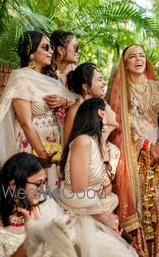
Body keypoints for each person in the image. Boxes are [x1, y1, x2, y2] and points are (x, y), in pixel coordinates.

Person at [109, 44, 159, 256]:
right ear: (125, 64)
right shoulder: (121, 92)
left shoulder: (158, 87)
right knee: (142, 198)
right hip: (135, 155)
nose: (138, 59)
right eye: (132, 56)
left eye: (142, 55)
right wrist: (148, 147)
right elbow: (121, 128)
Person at [0, 31, 75, 190]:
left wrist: (62, 101)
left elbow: (73, 100)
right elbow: (25, 122)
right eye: (45, 47)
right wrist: (42, 154)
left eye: (51, 47)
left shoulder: (51, 79)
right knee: (32, 192)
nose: (51, 51)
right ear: (30, 53)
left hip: (53, 141)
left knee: (51, 192)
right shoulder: (21, 78)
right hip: (32, 143)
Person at [57, 98, 138, 256]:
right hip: (79, 215)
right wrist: (105, 219)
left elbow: (106, 191)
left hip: (100, 215)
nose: (116, 113)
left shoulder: (114, 151)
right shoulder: (83, 142)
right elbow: (79, 190)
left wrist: (112, 223)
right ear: (101, 113)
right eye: (111, 108)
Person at [0, 153, 77, 257]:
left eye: (44, 183)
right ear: (13, 185)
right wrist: (32, 239)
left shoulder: (40, 212)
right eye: (38, 184)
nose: (43, 190)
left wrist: (61, 231)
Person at [63, 62, 106, 143]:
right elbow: (67, 145)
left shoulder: (102, 105)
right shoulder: (74, 112)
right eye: (100, 80)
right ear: (85, 87)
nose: (104, 83)